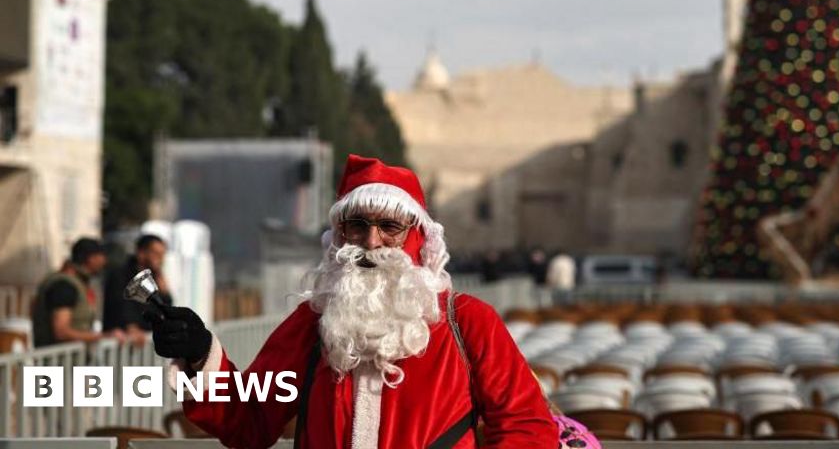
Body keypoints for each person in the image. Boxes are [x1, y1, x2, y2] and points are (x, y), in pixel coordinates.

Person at [149, 154, 558, 448]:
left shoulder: (467, 321)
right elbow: (249, 421)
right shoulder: (313, 322)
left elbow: (526, 427)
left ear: (416, 236)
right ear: (340, 235)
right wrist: (202, 355)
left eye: (390, 226)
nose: (371, 241)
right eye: (357, 225)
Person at [31, 237, 125, 347]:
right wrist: (104, 336)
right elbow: (61, 332)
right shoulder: (64, 286)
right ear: (91, 258)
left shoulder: (76, 283)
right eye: (101, 257)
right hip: (59, 356)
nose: (104, 262)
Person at [103, 234, 171, 346]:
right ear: (141, 253)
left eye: (162, 255)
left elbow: (165, 308)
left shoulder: (154, 277)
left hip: (146, 344)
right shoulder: (121, 274)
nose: (160, 259)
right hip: (122, 343)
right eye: (156, 254)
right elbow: (121, 303)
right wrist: (131, 327)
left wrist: (164, 290)